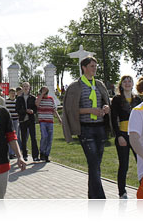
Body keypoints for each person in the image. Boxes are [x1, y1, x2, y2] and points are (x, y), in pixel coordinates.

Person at [62, 56, 111, 199]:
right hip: (86, 129)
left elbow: (105, 101)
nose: (94, 68)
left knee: (95, 164)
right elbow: (71, 109)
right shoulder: (75, 86)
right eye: (91, 66)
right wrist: (90, 111)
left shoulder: (99, 84)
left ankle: (93, 196)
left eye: (95, 66)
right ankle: (100, 197)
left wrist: (105, 107)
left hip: (100, 127)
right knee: (93, 161)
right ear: (84, 68)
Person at [110, 75, 141, 199]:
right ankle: (122, 191)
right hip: (123, 134)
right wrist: (119, 136)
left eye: (130, 81)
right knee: (124, 164)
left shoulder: (138, 99)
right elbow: (114, 118)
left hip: (136, 135)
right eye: (125, 81)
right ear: (121, 84)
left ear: (133, 84)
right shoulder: (117, 100)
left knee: (141, 163)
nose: (127, 83)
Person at [36, 86, 62, 162]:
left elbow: (54, 110)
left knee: (50, 138)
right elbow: (37, 104)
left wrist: (59, 118)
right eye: (42, 90)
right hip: (43, 121)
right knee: (44, 136)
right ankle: (42, 152)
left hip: (50, 121)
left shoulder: (51, 99)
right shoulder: (39, 99)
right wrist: (41, 94)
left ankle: (47, 154)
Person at [15, 82, 40, 162]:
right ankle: (25, 155)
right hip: (23, 120)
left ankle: (35, 156)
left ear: (29, 88)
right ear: (22, 88)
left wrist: (32, 111)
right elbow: (17, 109)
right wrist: (25, 111)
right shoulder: (19, 98)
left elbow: (36, 108)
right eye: (24, 86)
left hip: (31, 120)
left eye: (27, 86)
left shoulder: (32, 97)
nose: (26, 88)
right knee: (24, 138)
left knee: (33, 138)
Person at [5, 88, 20, 159]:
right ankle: (8, 152)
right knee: (8, 136)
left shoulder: (17, 101)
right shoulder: (6, 102)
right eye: (11, 93)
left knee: (14, 136)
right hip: (8, 121)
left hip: (15, 120)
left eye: (14, 93)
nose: (12, 94)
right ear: (9, 93)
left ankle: (12, 153)